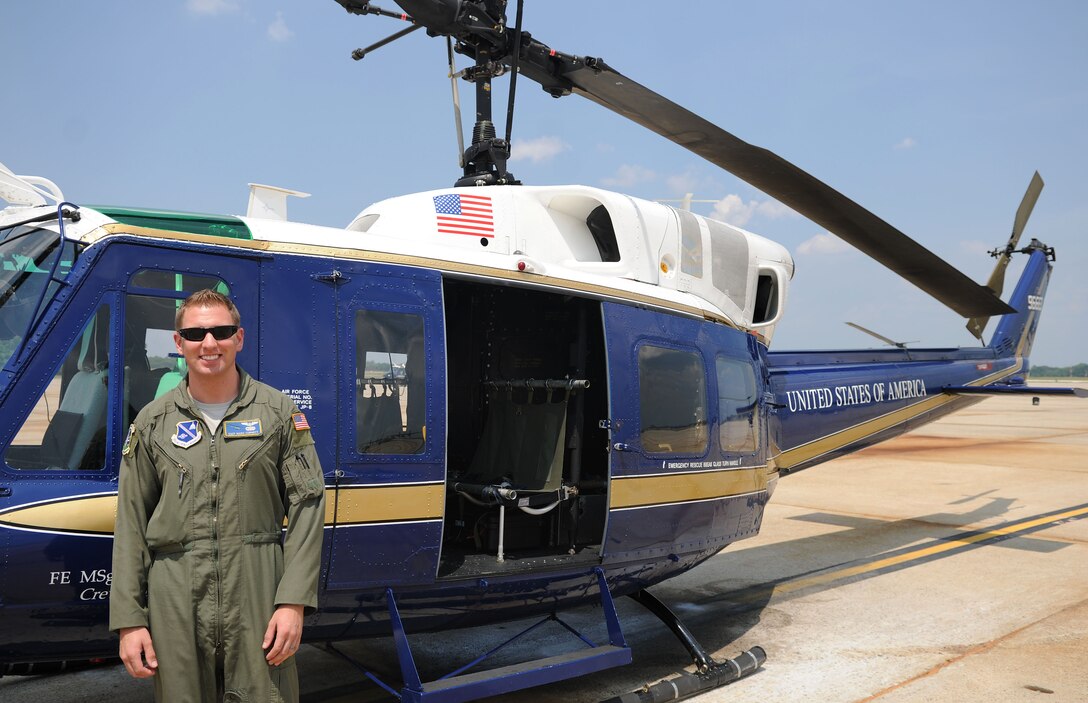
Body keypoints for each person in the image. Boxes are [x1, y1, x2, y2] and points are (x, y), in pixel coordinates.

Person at [110, 289, 326, 702]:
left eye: (221, 331)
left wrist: (293, 601)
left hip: (258, 588)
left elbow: (307, 507)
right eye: (195, 333)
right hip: (174, 593)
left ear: (239, 338)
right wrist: (129, 621)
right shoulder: (153, 423)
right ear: (179, 344)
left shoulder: (277, 414)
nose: (209, 343)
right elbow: (131, 523)